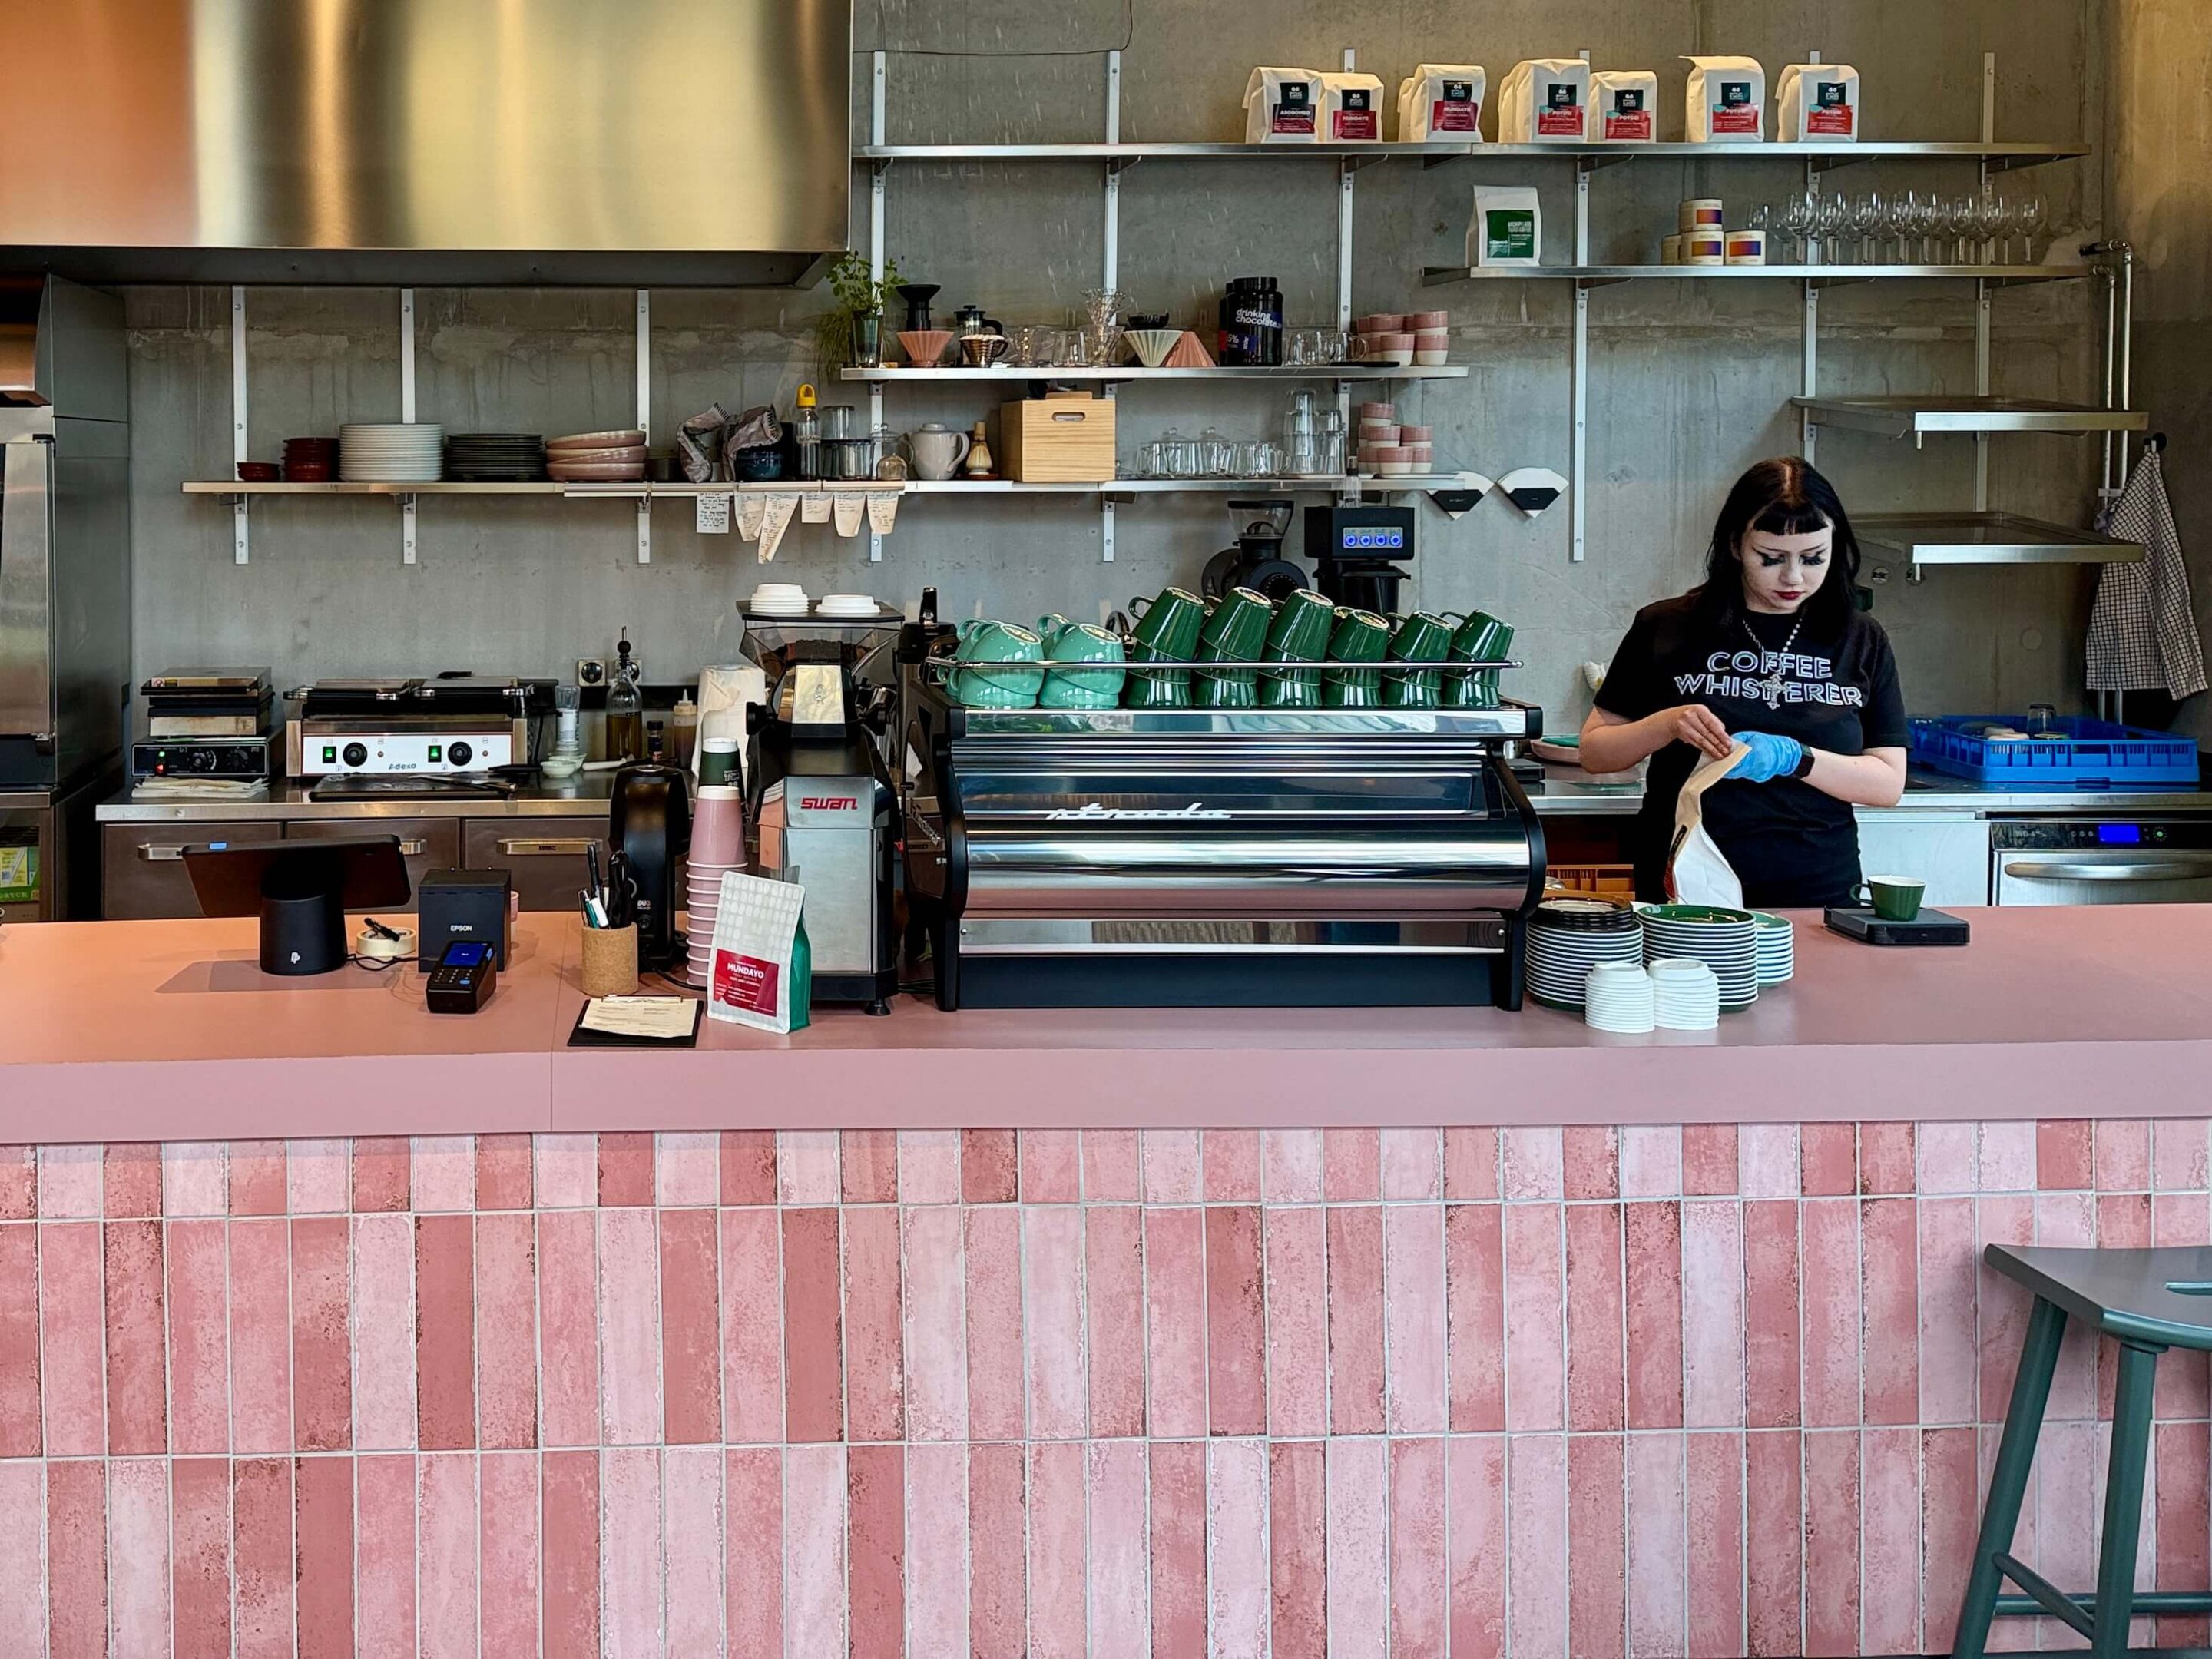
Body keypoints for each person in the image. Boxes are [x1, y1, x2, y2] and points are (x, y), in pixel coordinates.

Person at [1578, 456, 1909, 907]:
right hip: (1683, 886)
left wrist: (1797, 759)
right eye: (1770, 559)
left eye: (1814, 559)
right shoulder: (1668, 626)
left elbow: (1887, 783)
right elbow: (1596, 753)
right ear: (1735, 545)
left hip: (1818, 889)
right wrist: (1668, 724)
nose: (1793, 578)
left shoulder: (1860, 638)